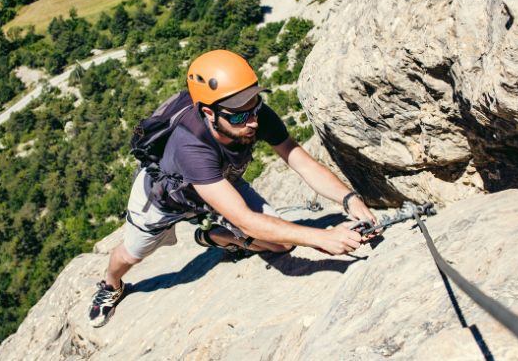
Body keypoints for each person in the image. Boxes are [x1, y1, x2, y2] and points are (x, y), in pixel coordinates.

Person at [88, 49, 378, 327]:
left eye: (255, 107)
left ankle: (214, 236)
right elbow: (247, 221)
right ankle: (110, 286)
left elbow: (300, 162)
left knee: (283, 243)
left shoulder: (252, 114)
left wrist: (349, 199)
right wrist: (321, 237)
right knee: (129, 256)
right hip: (165, 200)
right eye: (239, 115)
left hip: (221, 182)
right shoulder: (191, 147)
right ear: (208, 113)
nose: (252, 121)